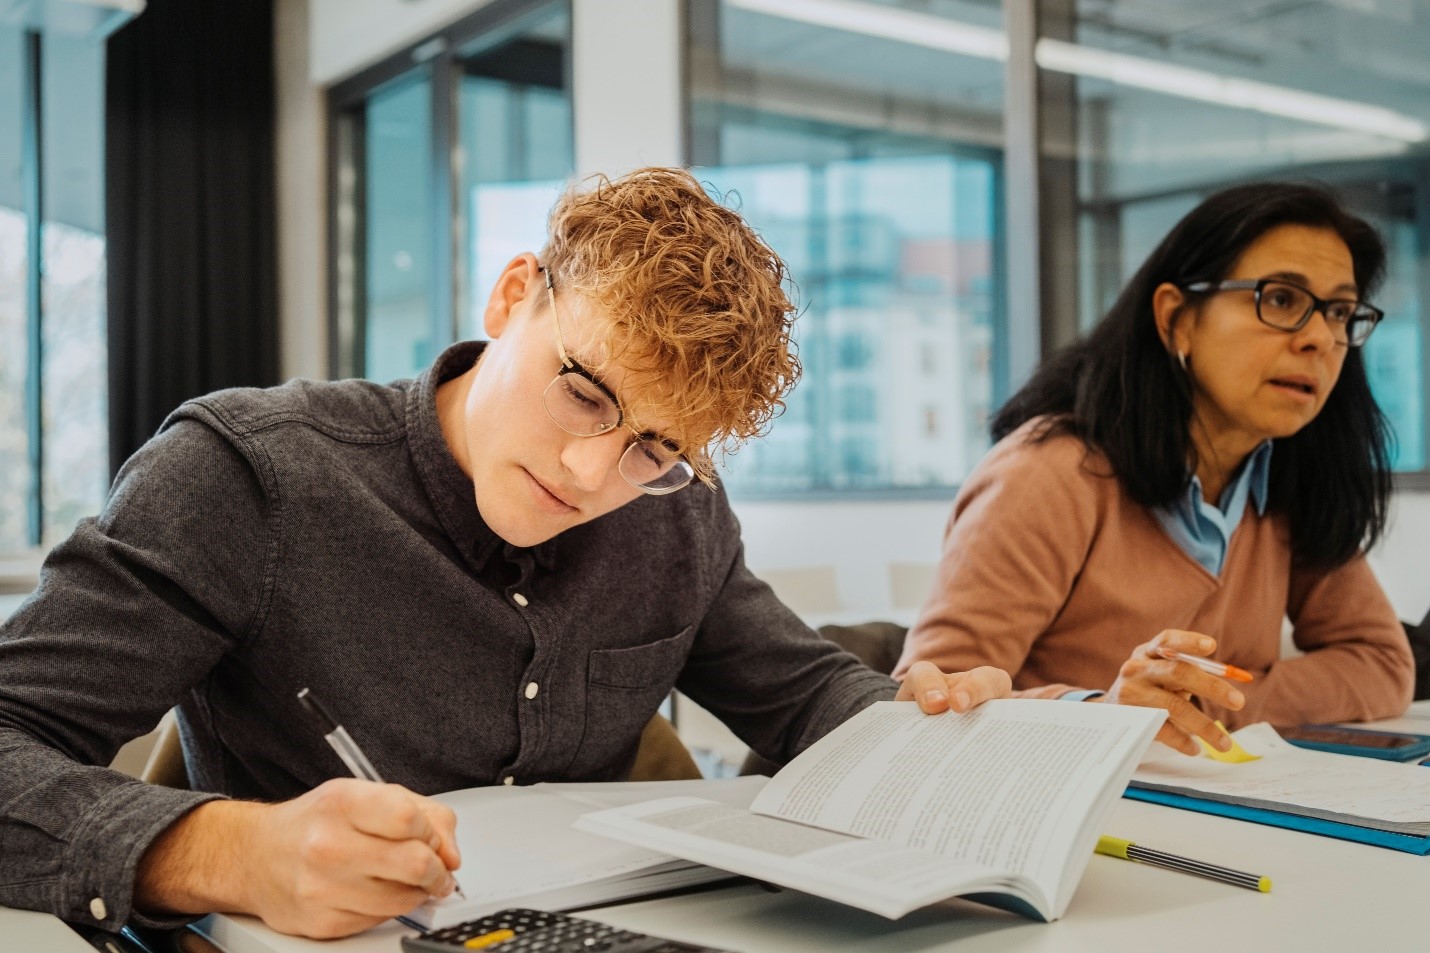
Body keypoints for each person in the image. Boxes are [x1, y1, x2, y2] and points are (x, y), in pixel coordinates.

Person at [0, 167, 1010, 940]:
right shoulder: (246, 477)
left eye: (652, 448)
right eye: (582, 391)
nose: (587, 471)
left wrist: (922, 728)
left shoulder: (680, 513)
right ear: (510, 296)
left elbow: (804, 694)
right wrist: (219, 848)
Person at [895, 181, 1413, 758]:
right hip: (1058, 817)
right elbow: (929, 704)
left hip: (1217, 804)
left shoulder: (1295, 476)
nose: (1320, 338)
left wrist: (1201, 703)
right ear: (1177, 319)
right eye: (1282, 300)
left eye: (1340, 312)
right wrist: (1105, 714)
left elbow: (1381, 663)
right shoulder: (1049, 474)